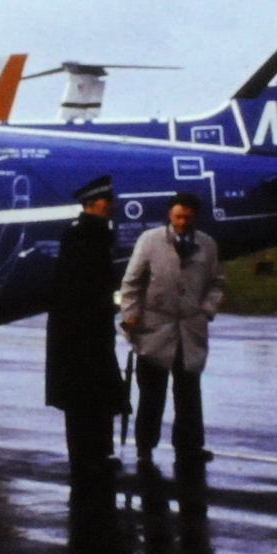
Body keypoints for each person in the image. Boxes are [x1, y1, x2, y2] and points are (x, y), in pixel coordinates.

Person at [119, 191, 224, 468]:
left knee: (189, 393)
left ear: (195, 217)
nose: (182, 221)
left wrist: (206, 311)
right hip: (154, 329)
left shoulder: (207, 244)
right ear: (169, 214)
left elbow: (216, 283)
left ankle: (190, 447)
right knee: (151, 394)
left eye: (187, 217)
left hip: (190, 329)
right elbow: (131, 282)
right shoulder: (149, 241)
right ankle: (144, 447)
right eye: (178, 216)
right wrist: (130, 316)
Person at [45, 174, 129, 487]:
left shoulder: (94, 235)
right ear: (95, 204)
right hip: (78, 334)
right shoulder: (81, 237)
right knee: (83, 400)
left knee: (99, 395)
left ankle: (99, 454)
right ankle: (84, 458)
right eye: (108, 202)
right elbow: (80, 288)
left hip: (92, 331)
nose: (112, 207)